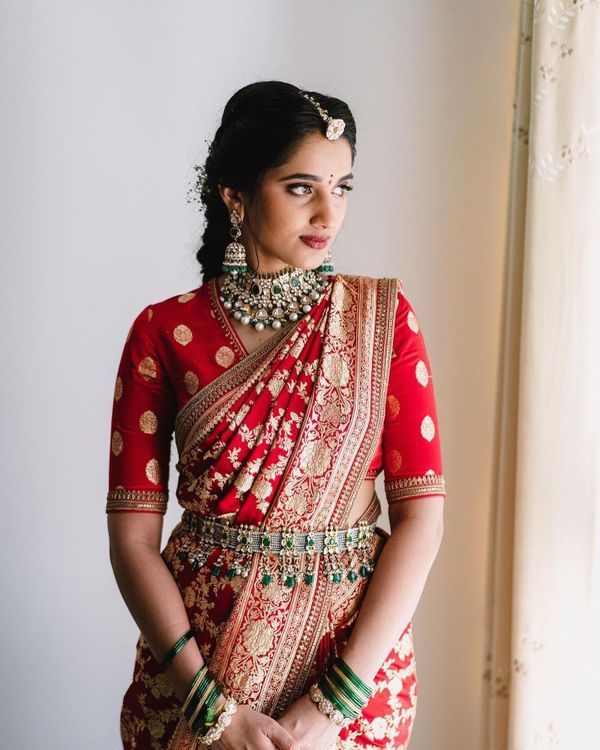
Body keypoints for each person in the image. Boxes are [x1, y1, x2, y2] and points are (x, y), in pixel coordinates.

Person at [106, 80, 446, 750]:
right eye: (300, 187)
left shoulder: (382, 323)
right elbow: (133, 541)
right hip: (196, 669)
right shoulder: (164, 332)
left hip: (351, 672)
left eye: (342, 187)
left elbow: (422, 519)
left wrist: (333, 704)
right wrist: (213, 711)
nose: (328, 211)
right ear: (234, 193)